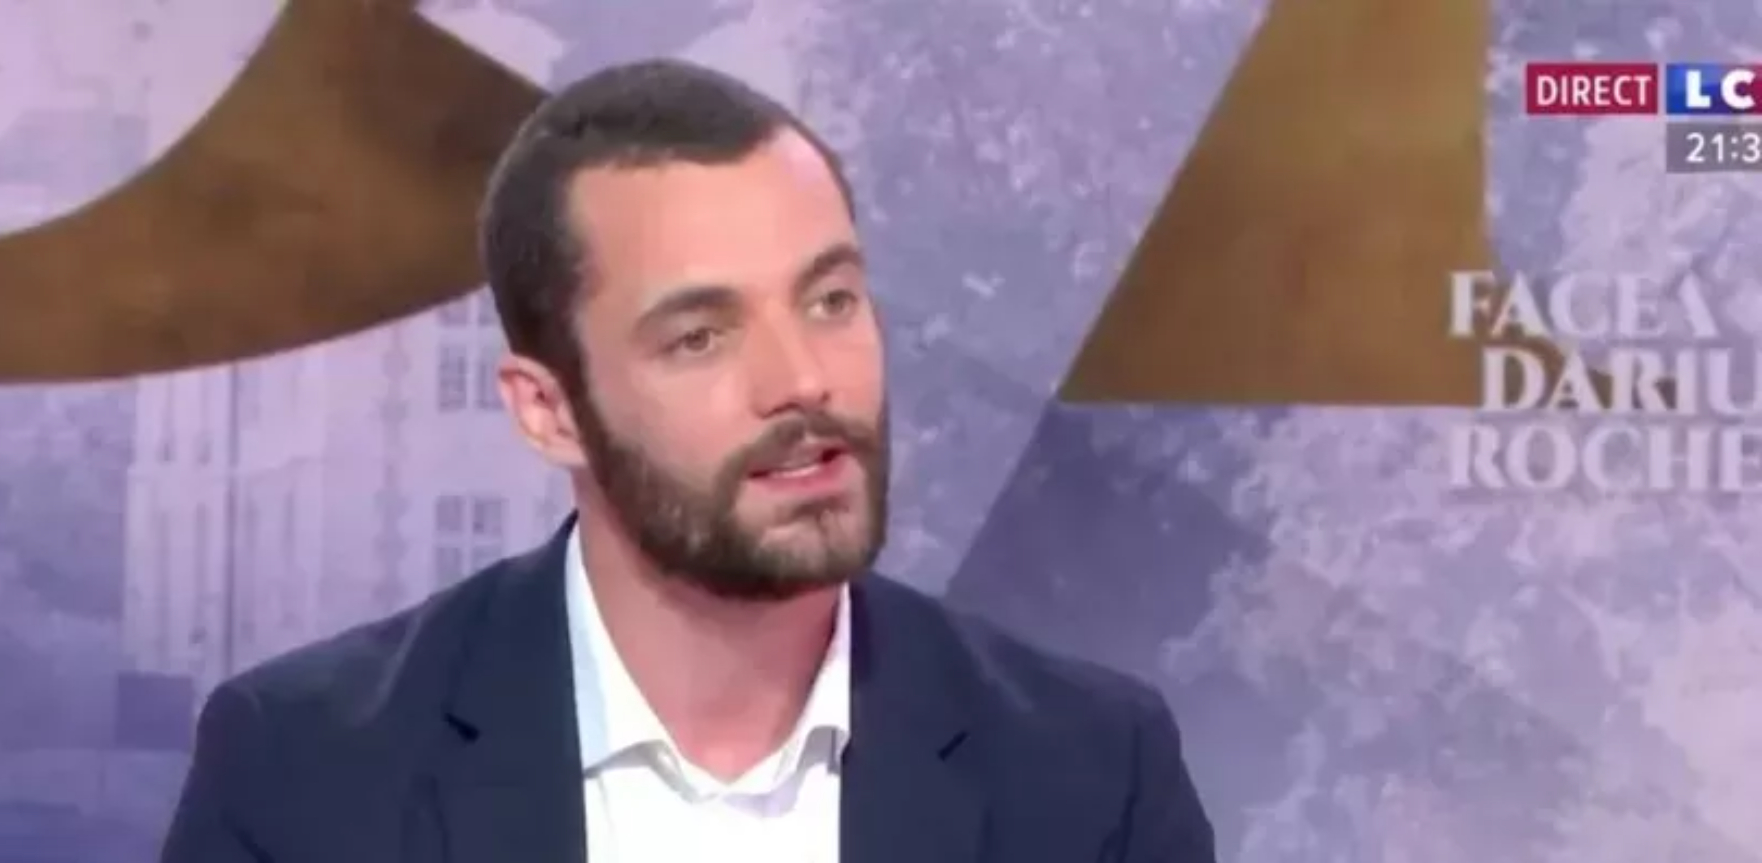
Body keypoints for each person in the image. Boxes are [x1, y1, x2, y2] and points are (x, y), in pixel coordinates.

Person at [159, 58, 1216, 863]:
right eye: (700, 336)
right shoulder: (304, 778)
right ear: (549, 411)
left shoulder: (1089, 779)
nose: (803, 379)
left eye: (829, 300)